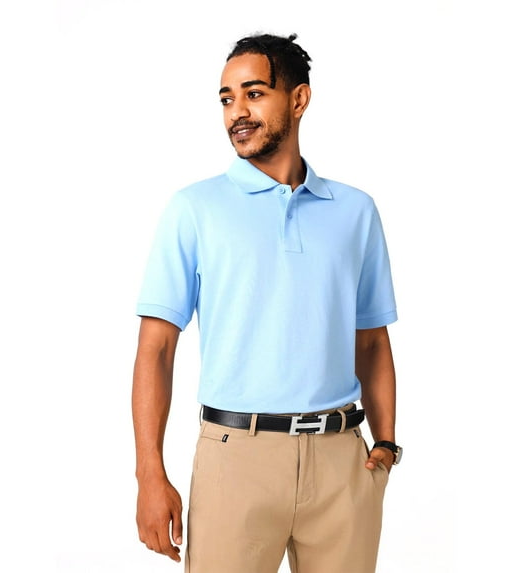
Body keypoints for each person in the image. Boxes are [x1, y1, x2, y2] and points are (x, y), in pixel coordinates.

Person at [132, 33, 402, 573]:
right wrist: (149, 474)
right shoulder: (194, 209)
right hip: (236, 457)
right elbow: (156, 349)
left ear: (299, 99)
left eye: (254, 93)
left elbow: (371, 340)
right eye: (227, 98)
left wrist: (387, 444)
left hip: (341, 461)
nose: (237, 112)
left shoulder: (356, 211)